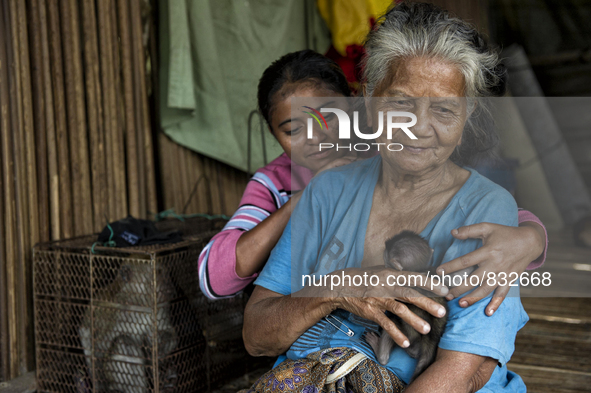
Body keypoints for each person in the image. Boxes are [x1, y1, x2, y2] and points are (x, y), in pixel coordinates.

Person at [241, 3, 533, 392]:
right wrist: (338, 288)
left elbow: (457, 374)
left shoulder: (486, 210)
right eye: (401, 103)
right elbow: (257, 335)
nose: (418, 128)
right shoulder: (328, 190)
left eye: (445, 110)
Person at [198, 49, 547, 316]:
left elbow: (485, 206)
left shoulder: (390, 154)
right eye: (292, 130)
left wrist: (531, 239)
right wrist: (303, 199)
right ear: (274, 134)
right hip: (314, 322)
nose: (315, 137)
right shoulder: (274, 182)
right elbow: (216, 278)